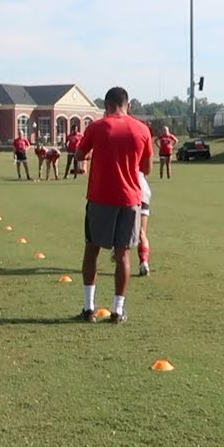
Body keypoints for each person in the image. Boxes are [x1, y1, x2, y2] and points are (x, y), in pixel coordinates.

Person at [74, 87, 152, 324]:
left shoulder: (97, 127)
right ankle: (118, 310)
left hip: (100, 198)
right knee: (123, 255)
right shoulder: (142, 129)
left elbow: (79, 155)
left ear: (106, 106)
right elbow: (146, 168)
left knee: (92, 249)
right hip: (130, 200)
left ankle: (89, 308)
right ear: (127, 105)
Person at [136, 172, 152, 276]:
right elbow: (147, 170)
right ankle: (144, 262)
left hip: (128, 189)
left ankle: (117, 250)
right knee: (142, 232)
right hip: (143, 190)